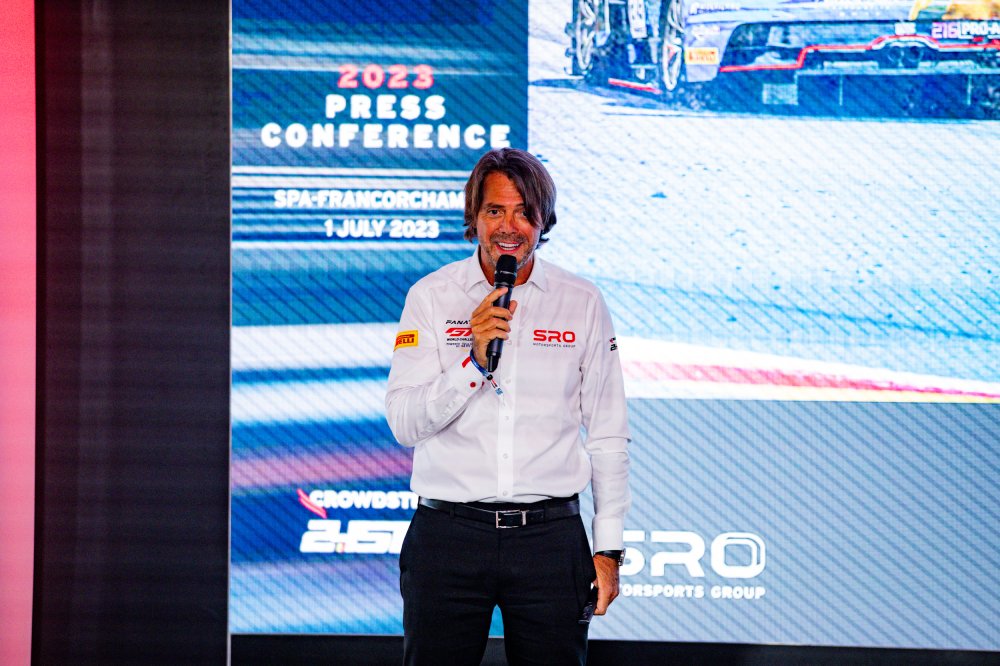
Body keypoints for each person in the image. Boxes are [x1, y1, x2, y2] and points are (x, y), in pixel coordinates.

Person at [385, 148, 630, 666]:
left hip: (550, 539)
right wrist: (473, 362)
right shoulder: (431, 296)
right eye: (495, 210)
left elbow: (608, 435)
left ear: (543, 220)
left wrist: (608, 549)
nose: (509, 227)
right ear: (474, 217)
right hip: (448, 536)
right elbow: (405, 424)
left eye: (524, 212)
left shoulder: (581, 301)